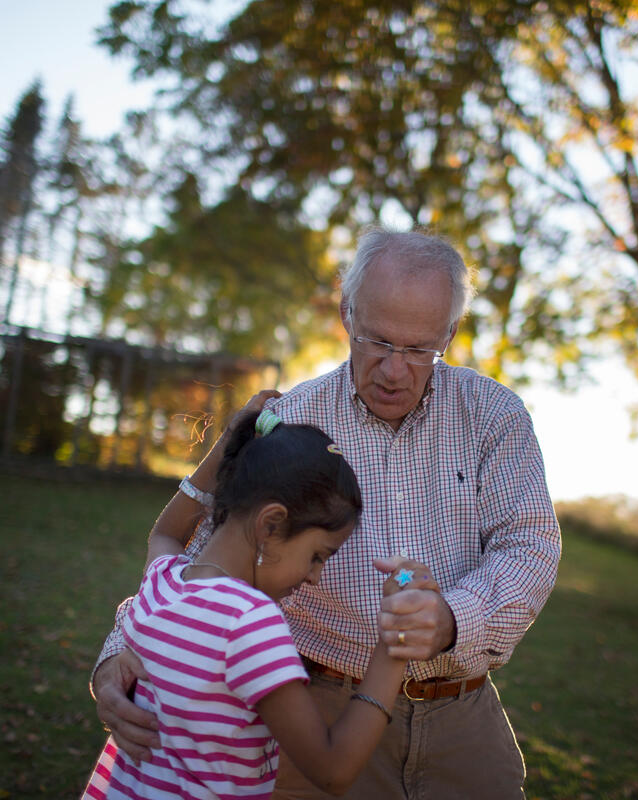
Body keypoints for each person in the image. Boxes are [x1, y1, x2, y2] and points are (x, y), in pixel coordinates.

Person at [94, 227, 562, 798]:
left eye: (418, 350)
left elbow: (530, 546)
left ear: (451, 333)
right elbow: (199, 565)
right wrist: (117, 655)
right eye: (378, 341)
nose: (394, 370)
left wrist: (448, 621)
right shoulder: (292, 420)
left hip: (464, 717)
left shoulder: (494, 414)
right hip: (316, 709)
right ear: (346, 315)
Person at [83, 410, 437, 799]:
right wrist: (396, 640)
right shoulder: (248, 621)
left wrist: (229, 441)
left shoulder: (164, 580)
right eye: (318, 555)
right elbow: (334, 769)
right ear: (270, 524)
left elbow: (166, 533)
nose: (314, 576)